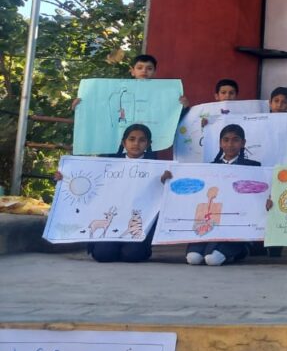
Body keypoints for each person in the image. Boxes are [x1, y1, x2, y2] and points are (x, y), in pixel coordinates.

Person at [54, 124, 172, 263]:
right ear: (124, 142)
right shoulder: (107, 163)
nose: (136, 143)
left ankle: (136, 247)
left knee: (132, 255)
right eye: (132, 139)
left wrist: (166, 180)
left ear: (148, 144)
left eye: (142, 140)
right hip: (113, 220)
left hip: (137, 223)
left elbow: (165, 193)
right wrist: (64, 177)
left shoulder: (158, 167)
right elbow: (87, 182)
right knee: (103, 255)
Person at [185, 124, 260, 267]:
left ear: (243, 143)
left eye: (235, 140)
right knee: (193, 258)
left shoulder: (254, 167)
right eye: (226, 140)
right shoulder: (208, 168)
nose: (230, 144)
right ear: (220, 143)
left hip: (235, 223)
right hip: (210, 220)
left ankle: (242, 248)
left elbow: (257, 197)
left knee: (212, 259)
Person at [72, 53, 188, 111]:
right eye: (139, 68)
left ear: (155, 73)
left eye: (149, 68)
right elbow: (102, 108)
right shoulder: (118, 91)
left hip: (150, 139)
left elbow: (171, 116)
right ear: (132, 72)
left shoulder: (164, 94)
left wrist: (184, 107)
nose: (144, 71)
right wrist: (80, 107)